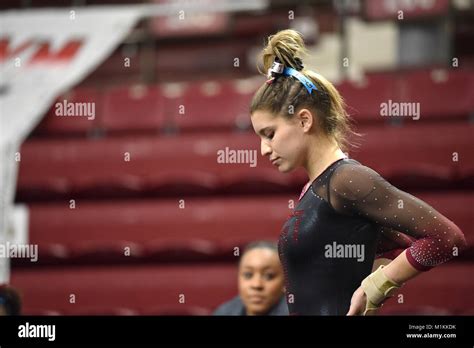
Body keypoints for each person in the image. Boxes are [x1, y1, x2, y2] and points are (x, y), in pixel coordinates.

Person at [249, 29, 467, 316]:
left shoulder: (345, 180)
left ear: (303, 120)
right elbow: (388, 246)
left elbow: (446, 238)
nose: (264, 149)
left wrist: (376, 286)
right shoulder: (316, 188)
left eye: (270, 134)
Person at [213, 241, 288, 315]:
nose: (256, 285)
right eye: (248, 275)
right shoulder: (225, 311)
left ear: (285, 282)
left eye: (268, 276)